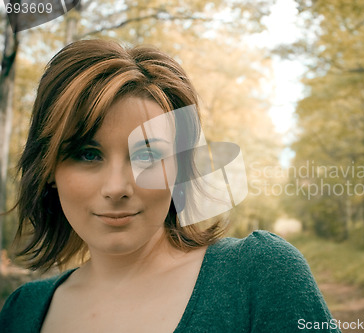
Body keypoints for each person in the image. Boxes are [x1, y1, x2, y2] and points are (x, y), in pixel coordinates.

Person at [0, 39, 341, 333]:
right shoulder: (22, 312)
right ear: (49, 169)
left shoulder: (260, 276)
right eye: (87, 154)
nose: (117, 187)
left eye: (147, 154)